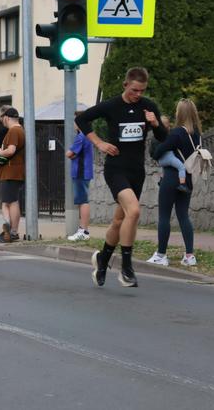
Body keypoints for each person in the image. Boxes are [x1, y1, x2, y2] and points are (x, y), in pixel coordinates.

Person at [76, 67, 167, 288]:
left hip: (137, 171)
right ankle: (126, 268)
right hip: (116, 169)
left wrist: (156, 124)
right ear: (126, 85)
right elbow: (82, 120)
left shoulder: (147, 106)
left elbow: (163, 137)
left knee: (120, 220)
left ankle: (102, 259)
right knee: (134, 211)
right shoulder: (111, 105)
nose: (138, 95)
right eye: (135, 90)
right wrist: (99, 143)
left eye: (142, 91)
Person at [147, 99, 203, 267]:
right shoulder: (198, 135)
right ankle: (189, 256)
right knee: (183, 216)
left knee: (164, 215)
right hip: (188, 180)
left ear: (180, 113)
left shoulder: (177, 133)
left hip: (171, 178)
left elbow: (158, 153)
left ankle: (161, 255)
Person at [0, 107, 25, 243]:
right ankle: (12, 230)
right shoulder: (21, 130)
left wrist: (0, 153)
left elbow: (11, 150)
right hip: (15, 171)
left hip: (10, 171)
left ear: (6, 118)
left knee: (9, 202)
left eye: (2, 118)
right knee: (12, 201)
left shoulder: (13, 130)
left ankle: (10, 230)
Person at [66, 115, 94, 241]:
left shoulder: (81, 137)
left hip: (80, 172)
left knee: (83, 201)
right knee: (83, 200)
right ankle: (83, 230)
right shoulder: (87, 136)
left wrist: (71, 154)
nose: (74, 124)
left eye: (76, 121)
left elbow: (70, 153)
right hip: (84, 171)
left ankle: (84, 231)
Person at [153, 116, 191, 194]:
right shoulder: (169, 135)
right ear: (167, 126)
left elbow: (152, 149)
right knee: (181, 167)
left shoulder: (155, 136)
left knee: (164, 168)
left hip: (160, 160)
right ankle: (182, 184)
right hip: (169, 157)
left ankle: (161, 180)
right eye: (169, 125)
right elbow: (171, 145)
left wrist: (156, 158)